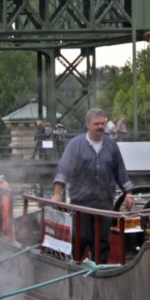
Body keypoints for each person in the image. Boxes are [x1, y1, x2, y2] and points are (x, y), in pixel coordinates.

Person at [53, 109, 134, 264]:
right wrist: (57, 193)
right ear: (88, 125)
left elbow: (120, 171)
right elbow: (63, 169)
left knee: (103, 239)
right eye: (96, 124)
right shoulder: (75, 145)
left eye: (102, 123)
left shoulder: (111, 145)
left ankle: (99, 268)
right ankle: (75, 264)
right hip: (81, 201)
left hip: (104, 202)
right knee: (81, 236)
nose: (100, 127)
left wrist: (128, 194)